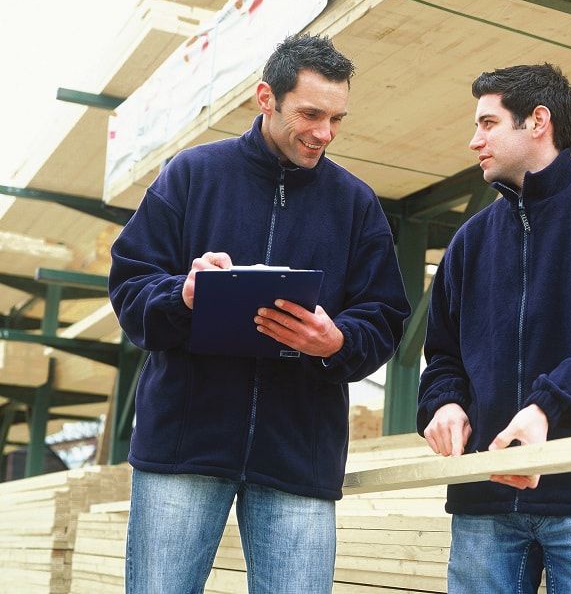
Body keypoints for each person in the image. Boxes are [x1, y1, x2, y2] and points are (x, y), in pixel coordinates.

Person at [109, 34, 410, 594]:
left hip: (299, 455)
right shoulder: (192, 175)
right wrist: (184, 294)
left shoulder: (356, 204)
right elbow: (130, 290)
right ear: (264, 98)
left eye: (337, 118)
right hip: (184, 447)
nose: (325, 133)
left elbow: (387, 316)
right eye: (311, 114)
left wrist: (336, 341)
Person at [417, 63, 571, 593]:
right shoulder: (469, 242)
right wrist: (444, 404)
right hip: (484, 503)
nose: (473, 140)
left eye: (487, 123)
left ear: (537, 121)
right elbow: (441, 354)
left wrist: (546, 410)